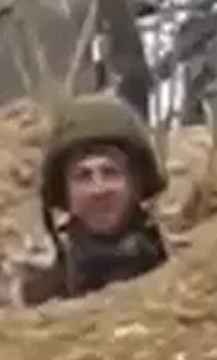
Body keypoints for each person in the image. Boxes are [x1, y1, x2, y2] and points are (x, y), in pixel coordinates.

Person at [17, 93, 169, 305]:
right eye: (83, 176)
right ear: (65, 194)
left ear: (136, 184)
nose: (99, 190)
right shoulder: (40, 298)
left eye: (111, 172)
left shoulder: (179, 279)